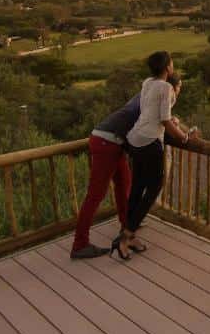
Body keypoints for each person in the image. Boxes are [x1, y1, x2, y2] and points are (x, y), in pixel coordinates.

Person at [69, 74, 183, 259]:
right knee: (95, 195)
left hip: (113, 142)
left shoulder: (148, 95)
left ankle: (127, 227)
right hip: (107, 142)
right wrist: (180, 133)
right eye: (178, 89)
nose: (177, 94)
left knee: (124, 186)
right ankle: (79, 244)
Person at [113, 51, 198, 259]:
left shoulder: (147, 83)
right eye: (172, 63)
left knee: (138, 186)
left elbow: (151, 112)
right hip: (150, 142)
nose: (173, 66)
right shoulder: (166, 87)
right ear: (167, 68)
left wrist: (172, 123)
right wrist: (185, 138)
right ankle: (126, 235)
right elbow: (166, 122)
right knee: (155, 186)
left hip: (134, 139)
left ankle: (127, 233)